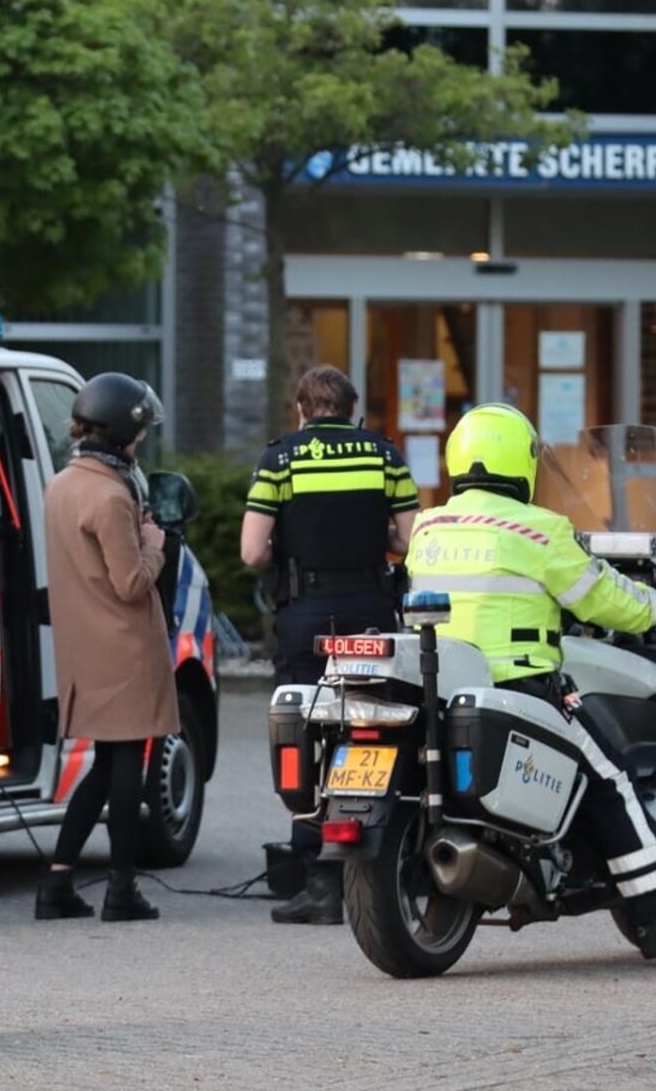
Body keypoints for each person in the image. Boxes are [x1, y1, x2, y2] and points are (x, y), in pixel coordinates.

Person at [406, 403, 656, 960]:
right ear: (525, 462)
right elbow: (601, 598)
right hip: (521, 683)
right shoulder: (536, 527)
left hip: (444, 683)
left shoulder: (429, 524)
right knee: (610, 777)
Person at [241, 365, 418, 925]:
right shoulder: (385, 456)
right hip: (371, 610)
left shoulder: (280, 460)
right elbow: (410, 541)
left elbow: (251, 552)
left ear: (301, 408)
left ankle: (317, 882)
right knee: (375, 726)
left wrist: (292, 548)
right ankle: (379, 863)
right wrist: (376, 540)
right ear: (350, 408)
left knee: (305, 736)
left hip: (307, 615)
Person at [34, 372, 177, 924]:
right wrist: (155, 546)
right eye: (139, 433)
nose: (141, 443)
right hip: (123, 647)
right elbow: (132, 583)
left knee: (103, 766)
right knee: (126, 771)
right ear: (123, 433)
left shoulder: (63, 484)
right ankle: (121, 890)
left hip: (82, 645)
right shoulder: (112, 494)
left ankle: (58, 882)